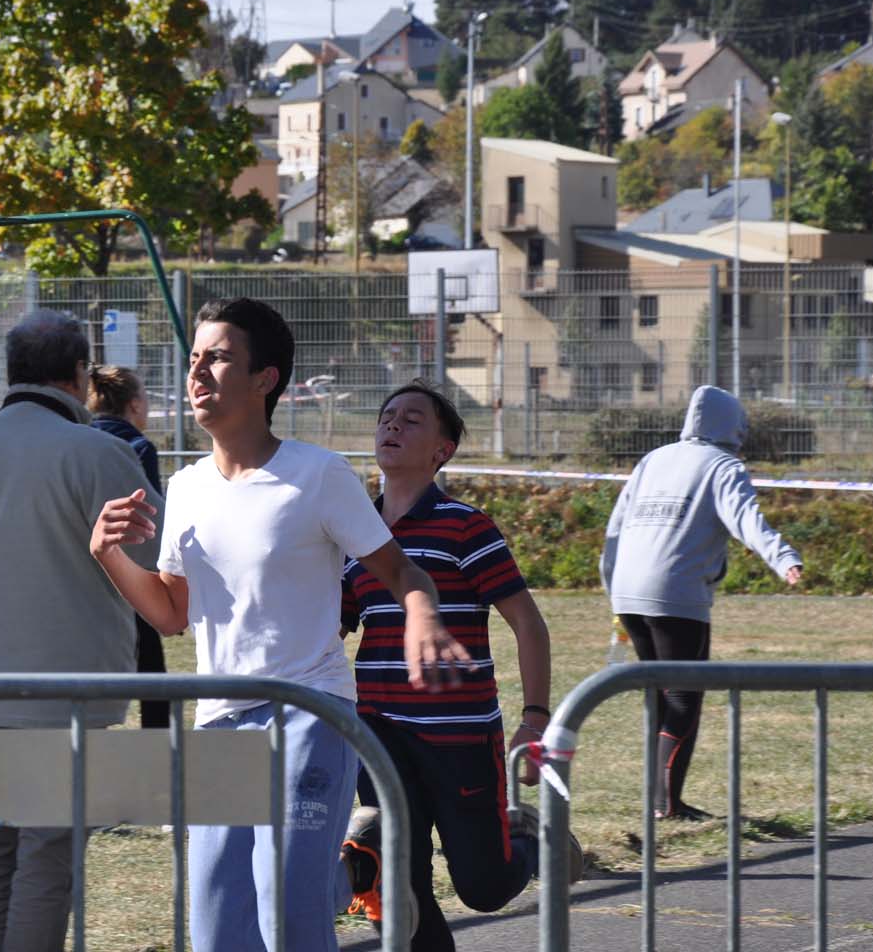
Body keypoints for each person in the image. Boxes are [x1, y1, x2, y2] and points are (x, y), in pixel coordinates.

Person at [90, 297, 473, 952]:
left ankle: (344, 868)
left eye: (218, 358)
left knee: (286, 916)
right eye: (194, 360)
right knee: (215, 928)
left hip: (309, 714)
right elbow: (170, 613)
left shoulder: (317, 475)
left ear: (265, 378)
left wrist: (422, 615)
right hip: (219, 726)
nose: (198, 373)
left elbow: (405, 575)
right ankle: (352, 869)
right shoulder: (185, 488)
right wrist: (106, 553)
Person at [0, 309, 162, 952]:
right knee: (46, 860)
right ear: (80, 374)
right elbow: (151, 565)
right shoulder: (102, 455)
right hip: (70, 690)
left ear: (12, 372)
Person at [339, 381, 581, 946]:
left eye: (412, 420)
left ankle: (533, 838)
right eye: (387, 415)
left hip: (459, 736)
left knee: (484, 888)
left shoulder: (465, 526)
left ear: (441, 452)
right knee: (405, 882)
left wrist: (536, 717)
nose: (393, 425)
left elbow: (528, 623)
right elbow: (337, 624)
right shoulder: (355, 534)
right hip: (379, 733)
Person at [600, 384, 803, 820]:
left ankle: (658, 800)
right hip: (676, 594)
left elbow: (615, 528)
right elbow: (746, 519)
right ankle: (667, 805)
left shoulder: (653, 460)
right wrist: (783, 557)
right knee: (683, 698)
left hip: (628, 592)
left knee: (660, 695)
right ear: (733, 426)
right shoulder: (723, 466)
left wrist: (611, 585)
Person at [87, 364, 169, 730]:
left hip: (88, 578)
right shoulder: (137, 447)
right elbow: (148, 519)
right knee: (152, 668)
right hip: (130, 574)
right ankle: (159, 739)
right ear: (134, 405)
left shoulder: (80, 440)